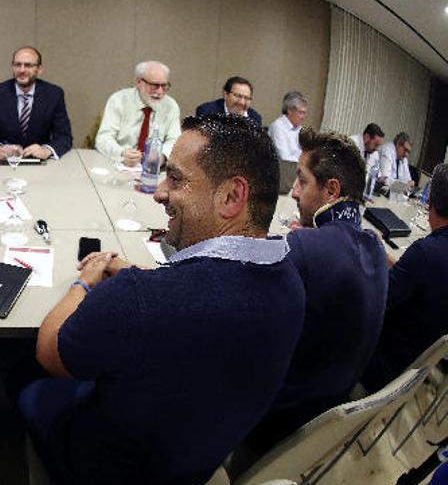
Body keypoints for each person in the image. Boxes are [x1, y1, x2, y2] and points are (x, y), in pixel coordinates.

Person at [19, 114, 305, 485]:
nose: (159, 192)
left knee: (23, 379)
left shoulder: (140, 299)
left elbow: (50, 350)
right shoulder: (290, 283)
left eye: (177, 178)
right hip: (198, 458)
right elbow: (203, 291)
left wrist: (84, 283)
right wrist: (140, 275)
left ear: (232, 196)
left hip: (111, 468)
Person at [246, 129, 387, 451]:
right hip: (328, 414)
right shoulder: (375, 246)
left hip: (276, 422)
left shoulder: (304, 248)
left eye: (302, 180)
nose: (294, 192)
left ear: (331, 189)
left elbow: (228, 275)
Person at [362, 163, 448, 391]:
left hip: (378, 363)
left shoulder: (425, 254)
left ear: (430, 202)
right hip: (412, 371)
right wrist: (385, 254)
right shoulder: (429, 257)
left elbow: (376, 300)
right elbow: (420, 279)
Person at [0, 46, 72, 160]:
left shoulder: (54, 95)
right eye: (18, 65)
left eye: (28, 65)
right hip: (5, 162)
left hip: (40, 163)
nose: (22, 70)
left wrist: (46, 150)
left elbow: (64, 136)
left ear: (39, 69)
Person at [95, 60, 180, 167]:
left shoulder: (171, 106)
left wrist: (162, 157)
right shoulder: (118, 100)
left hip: (153, 170)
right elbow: (104, 138)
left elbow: (174, 140)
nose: (160, 92)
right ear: (139, 82)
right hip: (117, 163)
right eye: (154, 85)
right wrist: (121, 153)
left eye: (164, 86)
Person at [194, 76, 262, 126]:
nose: (242, 102)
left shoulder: (254, 118)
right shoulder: (207, 112)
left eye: (247, 98)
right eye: (238, 96)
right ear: (225, 94)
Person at [268, 91, 308, 162]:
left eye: (304, 113)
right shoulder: (278, 127)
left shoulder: (300, 129)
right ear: (290, 110)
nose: (303, 117)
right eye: (301, 113)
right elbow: (284, 158)